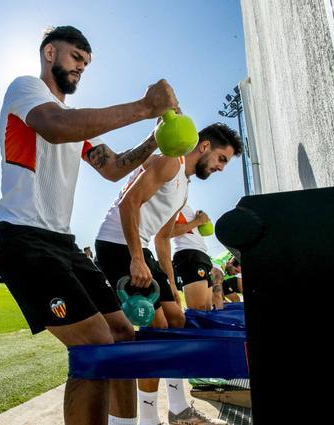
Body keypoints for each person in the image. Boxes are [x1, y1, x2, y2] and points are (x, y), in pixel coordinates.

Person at [0, 25, 180, 425]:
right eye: (76, 58)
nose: (81, 68)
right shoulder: (27, 90)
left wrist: (155, 138)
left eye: (86, 64)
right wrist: (144, 106)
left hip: (62, 243)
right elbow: (55, 127)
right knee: (95, 346)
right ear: (49, 54)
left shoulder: (75, 123)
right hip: (22, 239)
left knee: (123, 335)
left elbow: (112, 168)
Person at [95, 123, 241, 425]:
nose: (221, 168)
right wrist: (136, 258)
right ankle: (148, 418)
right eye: (221, 159)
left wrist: (170, 283)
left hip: (142, 247)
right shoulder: (169, 162)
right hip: (117, 243)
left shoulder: (184, 187)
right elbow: (128, 203)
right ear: (204, 146)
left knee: (177, 321)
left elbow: (163, 237)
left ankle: (178, 409)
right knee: (157, 328)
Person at [170, 205, 214, 310]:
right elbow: (170, 232)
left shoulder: (184, 203)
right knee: (199, 310)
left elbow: (207, 231)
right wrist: (198, 221)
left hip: (202, 254)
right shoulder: (172, 202)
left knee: (208, 308)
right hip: (189, 254)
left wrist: (203, 221)